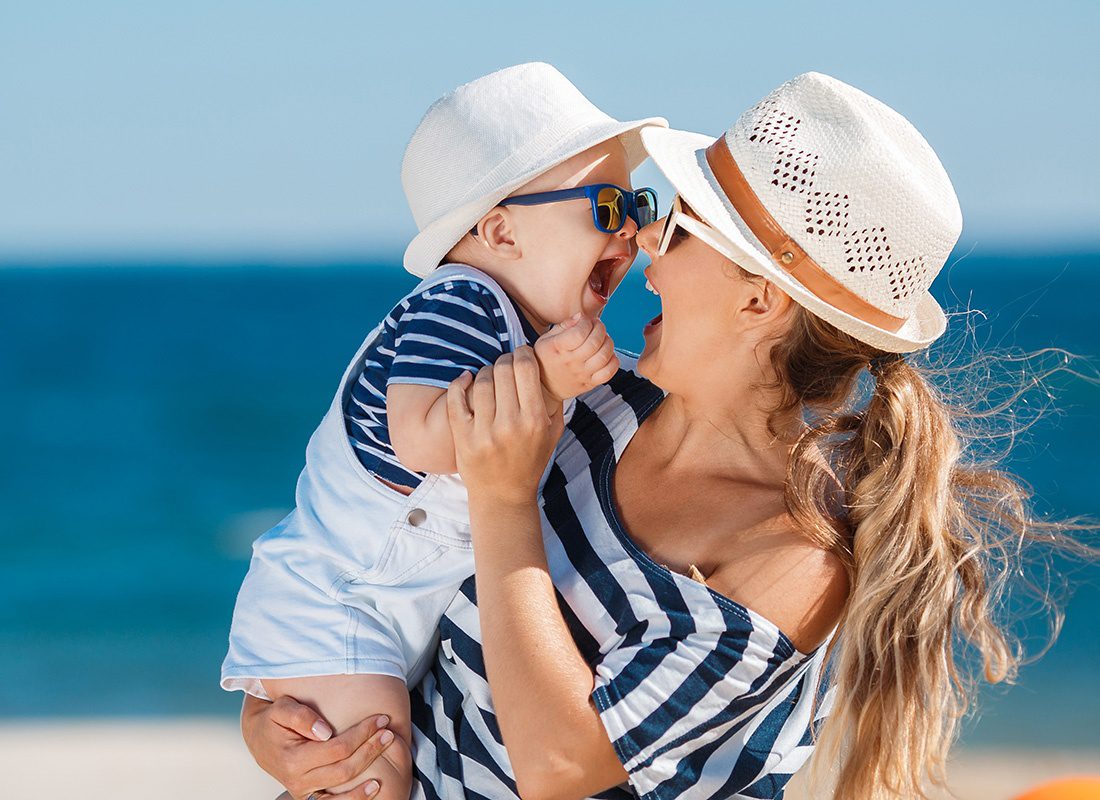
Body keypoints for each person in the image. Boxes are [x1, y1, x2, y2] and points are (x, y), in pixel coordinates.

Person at [242, 72, 1091, 800]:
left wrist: (507, 500)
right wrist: (282, 717)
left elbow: (561, 762)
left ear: (758, 301)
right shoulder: (602, 404)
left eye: (676, 227)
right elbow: (388, 571)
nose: (644, 241)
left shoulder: (792, 557)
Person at [220, 62, 666, 798]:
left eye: (639, 205)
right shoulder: (464, 300)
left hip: (388, 608)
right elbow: (422, 438)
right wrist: (549, 380)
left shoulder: (521, 327)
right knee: (369, 776)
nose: (633, 234)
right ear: (499, 230)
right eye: (608, 207)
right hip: (340, 600)